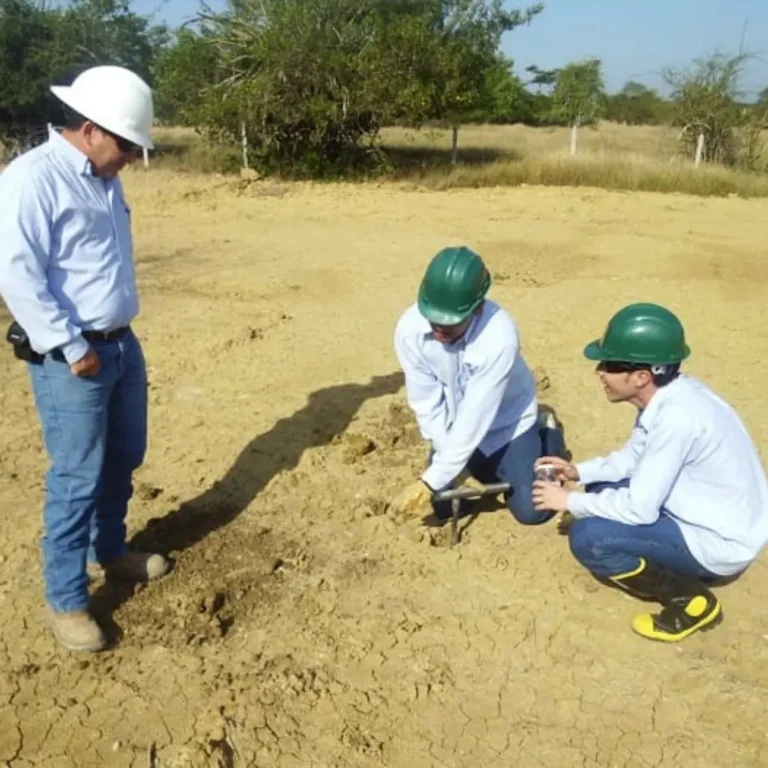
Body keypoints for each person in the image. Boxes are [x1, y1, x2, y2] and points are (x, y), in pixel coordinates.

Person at [0, 66, 170, 652]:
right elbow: (16, 274)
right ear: (91, 129)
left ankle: (111, 550)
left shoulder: (104, 178)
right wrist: (72, 348)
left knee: (124, 455)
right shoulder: (33, 179)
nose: (131, 158)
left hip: (121, 343)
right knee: (77, 477)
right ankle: (67, 599)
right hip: (73, 356)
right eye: (126, 145)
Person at [533, 302, 768, 642]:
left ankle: (690, 601)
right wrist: (577, 472)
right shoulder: (670, 397)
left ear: (642, 376)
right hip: (716, 514)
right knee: (600, 486)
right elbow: (633, 458)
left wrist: (568, 501)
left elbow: (640, 509)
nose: (600, 372)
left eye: (610, 365)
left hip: (718, 543)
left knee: (589, 537)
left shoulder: (677, 419)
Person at [390, 246, 563, 523]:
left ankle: (546, 435)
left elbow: (477, 412)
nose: (439, 327)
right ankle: (485, 467)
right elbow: (426, 402)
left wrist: (430, 481)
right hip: (455, 427)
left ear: (478, 308)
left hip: (507, 425)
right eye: (433, 318)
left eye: (450, 321)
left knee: (533, 511)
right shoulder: (410, 331)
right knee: (443, 507)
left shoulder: (499, 337)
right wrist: (446, 460)